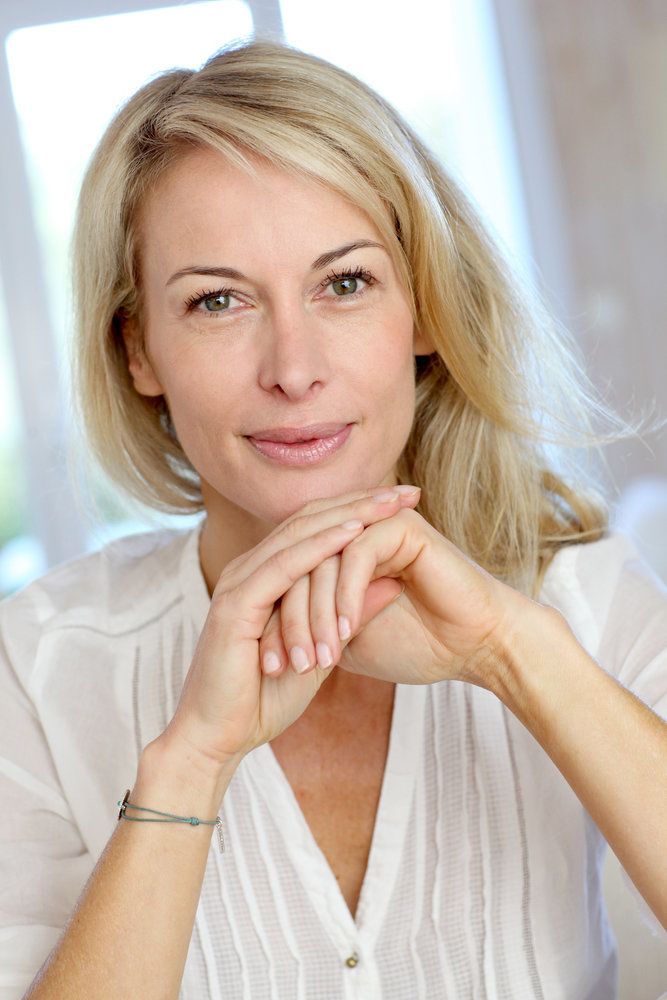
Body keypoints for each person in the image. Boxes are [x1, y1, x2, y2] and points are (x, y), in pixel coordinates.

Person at [0, 38, 665, 1000]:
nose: (293, 366)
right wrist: (192, 762)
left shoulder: (585, 595)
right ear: (139, 351)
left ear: (424, 310)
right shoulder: (36, 662)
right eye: (217, 301)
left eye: (343, 283)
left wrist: (511, 655)